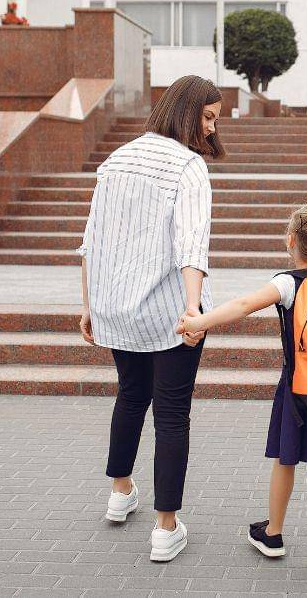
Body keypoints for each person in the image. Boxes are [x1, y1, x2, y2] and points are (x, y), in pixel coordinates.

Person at [177, 202, 307, 589]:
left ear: (292, 242)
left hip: (301, 388)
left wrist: (197, 321)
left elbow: (242, 305)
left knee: (285, 459)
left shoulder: (290, 282)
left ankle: (273, 533)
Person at [78, 75, 225, 562]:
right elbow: (191, 245)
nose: (209, 130)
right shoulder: (188, 168)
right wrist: (193, 310)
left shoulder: (115, 160)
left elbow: (91, 241)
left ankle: (120, 493)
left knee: (131, 395)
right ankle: (166, 527)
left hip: (116, 308)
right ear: (185, 112)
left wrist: (88, 304)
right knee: (171, 413)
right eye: (206, 118)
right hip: (166, 313)